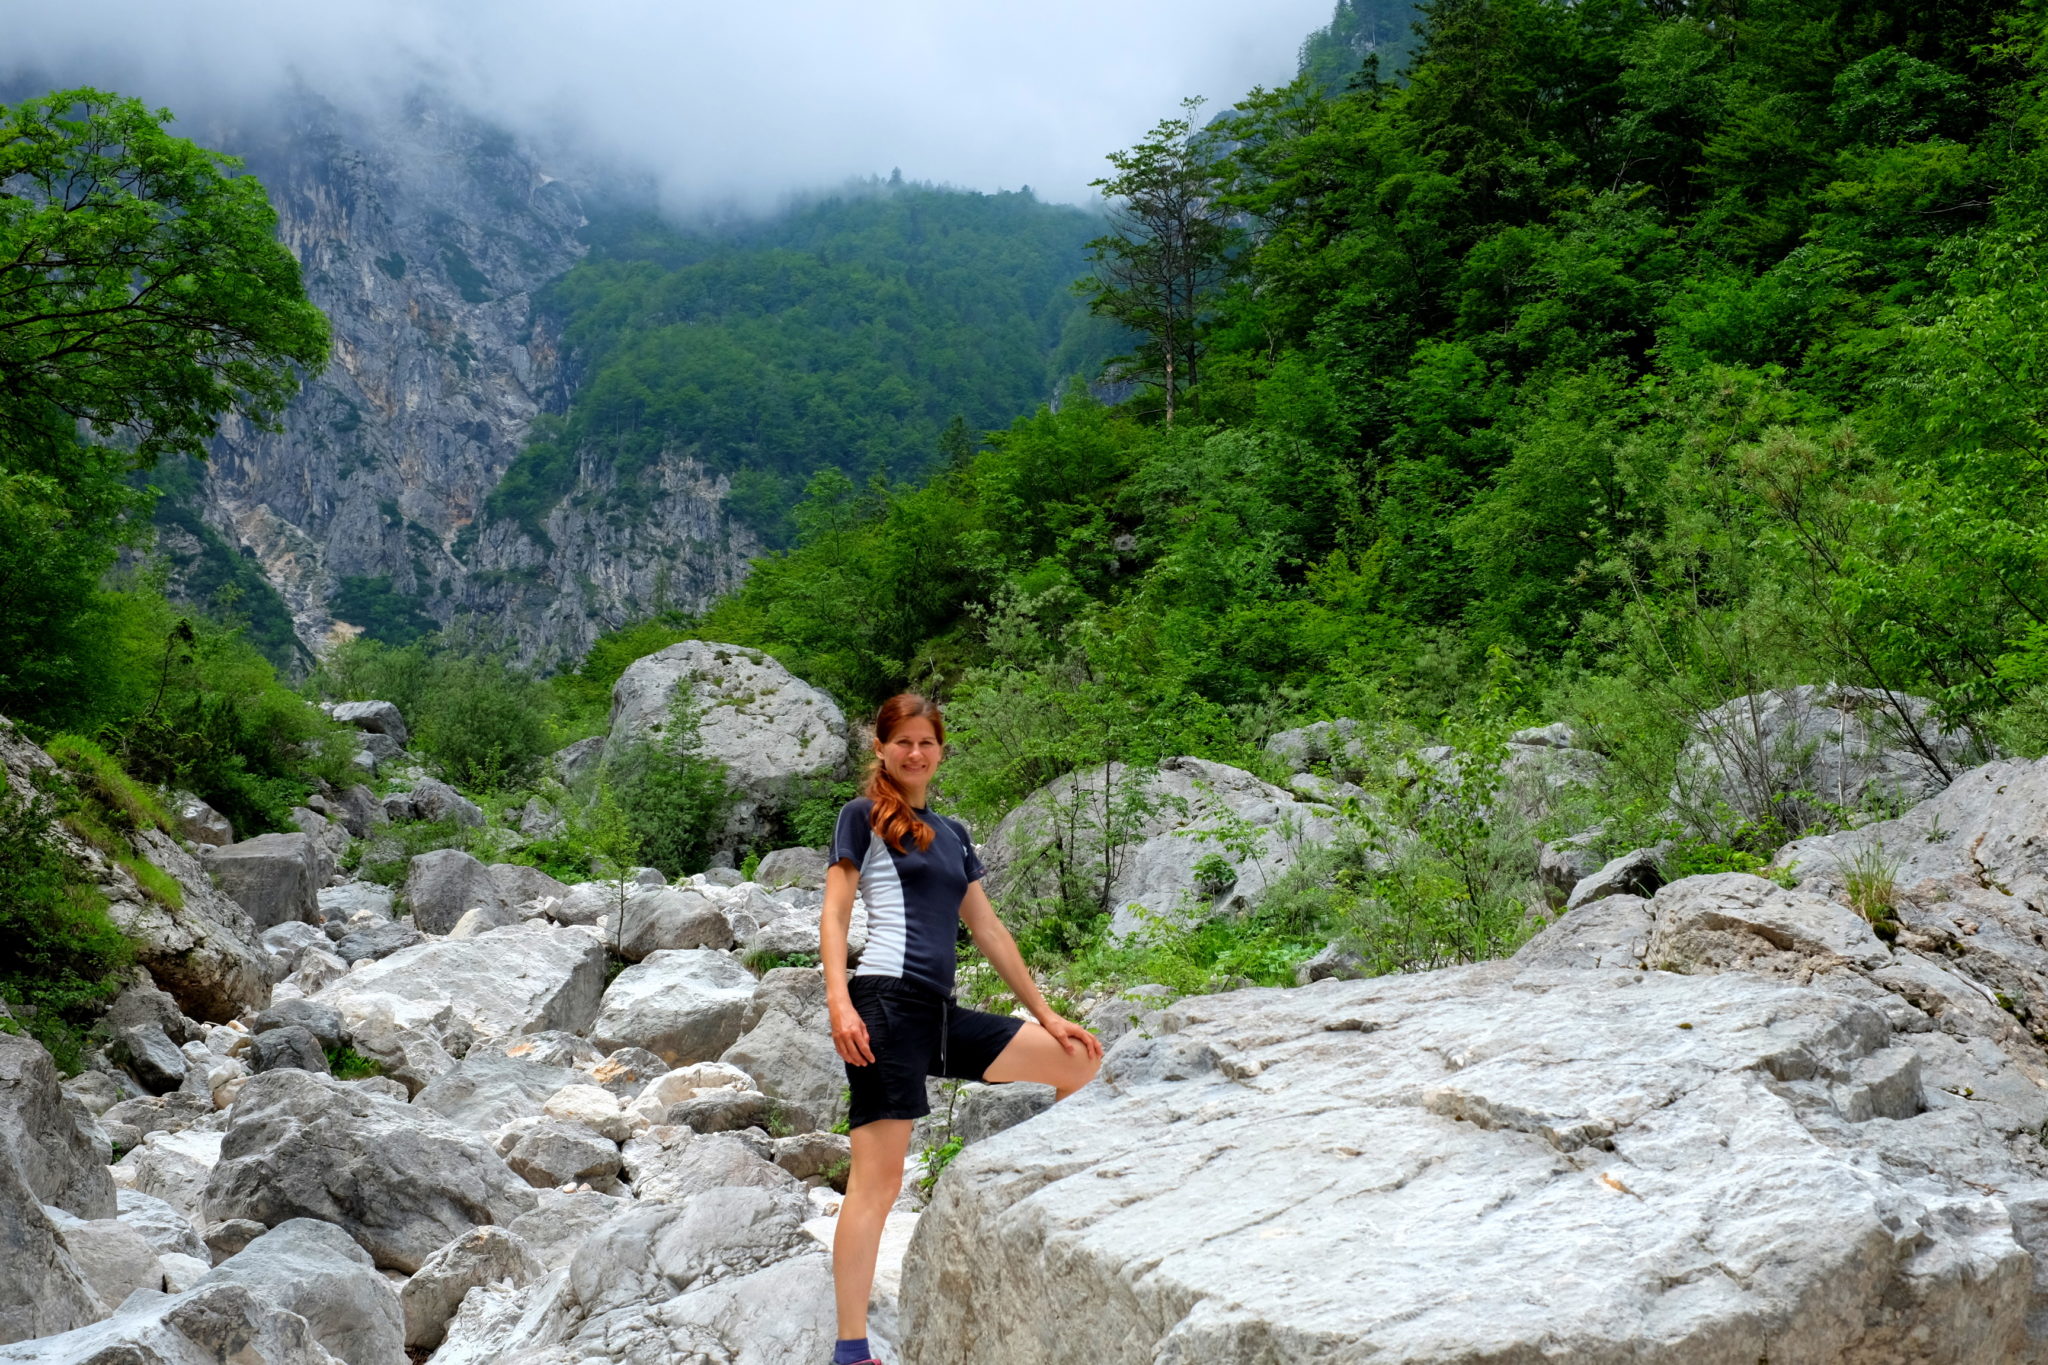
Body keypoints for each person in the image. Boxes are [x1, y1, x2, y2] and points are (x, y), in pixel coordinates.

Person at [822, 693, 1103, 1365]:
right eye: (903, 742)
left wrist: (1046, 1013)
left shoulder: (952, 833)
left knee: (1079, 1063)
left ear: (941, 751)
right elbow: (835, 913)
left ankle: (1041, 1209)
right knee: (878, 1181)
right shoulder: (861, 817)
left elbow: (988, 928)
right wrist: (839, 1000)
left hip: (940, 1015)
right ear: (882, 750)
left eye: (927, 742)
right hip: (884, 1008)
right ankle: (852, 1349)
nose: (915, 752)